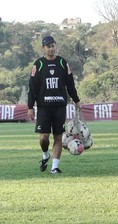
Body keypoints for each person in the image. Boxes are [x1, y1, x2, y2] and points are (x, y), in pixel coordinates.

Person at [27, 35, 81, 174]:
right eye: (48, 46)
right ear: (43, 48)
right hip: (44, 107)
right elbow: (32, 87)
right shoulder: (38, 64)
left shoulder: (62, 63)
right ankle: (45, 154)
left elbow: (70, 84)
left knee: (58, 137)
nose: (51, 49)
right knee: (44, 137)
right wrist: (30, 107)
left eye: (53, 46)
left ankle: (54, 167)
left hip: (59, 106)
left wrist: (76, 100)